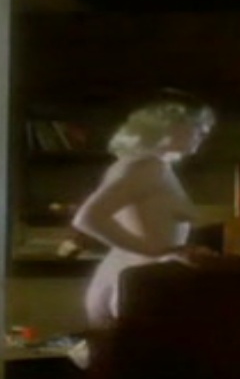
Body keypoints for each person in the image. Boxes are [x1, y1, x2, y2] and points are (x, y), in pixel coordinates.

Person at [72, 89, 217, 329]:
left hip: (131, 280)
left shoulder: (141, 165)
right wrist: (156, 251)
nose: (204, 132)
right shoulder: (148, 168)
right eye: (198, 125)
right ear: (169, 125)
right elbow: (88, 218)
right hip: (135, 285)